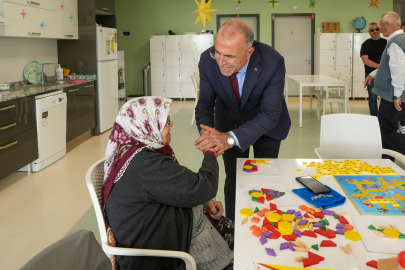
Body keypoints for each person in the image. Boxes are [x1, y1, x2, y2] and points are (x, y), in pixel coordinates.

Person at [102, 97, 233, 270]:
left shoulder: (133, 153)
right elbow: (204, 188)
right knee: (242, 249)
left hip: (157, 231)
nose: (171, 125)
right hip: (155, 257)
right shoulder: (145, 164)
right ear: (146, 124)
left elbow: (176, 189)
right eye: (165, 121)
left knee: (236, 234)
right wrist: (210, 152)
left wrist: (201, 204)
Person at [194, 19, 291, 222]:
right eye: (218, 53)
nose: (221, 62)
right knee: (234, 179)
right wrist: (207, 132)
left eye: (229, 56)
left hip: (267, 127)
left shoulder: (273, 61)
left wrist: (229, 139)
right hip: (228, 123)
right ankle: (234, 228)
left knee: (265, 178)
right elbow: (205, 103)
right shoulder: (206, 60)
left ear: (249, 52)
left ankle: (265, 225)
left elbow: (270, 115)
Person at [364, 12, 405, 157]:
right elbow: (388, 65)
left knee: (386, 129)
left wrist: (397, 95)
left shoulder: (395, 43)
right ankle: (387, 161)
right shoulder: (401, 39)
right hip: (397, 95)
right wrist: (373, 74)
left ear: (387, 24)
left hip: (393, 97)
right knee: (390, 130)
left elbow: (399, 71)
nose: (380, 29)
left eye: (381, 26)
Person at [360, 22, 387, 116]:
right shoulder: (365, 44)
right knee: (372, 98)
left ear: (380, 30)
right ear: (369, 32)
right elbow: (365, 60)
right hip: (370, 75)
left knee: (386, 97)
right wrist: (380, 67)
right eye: (372, 30)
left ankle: (384, 118)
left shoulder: (386, 43)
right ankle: (374, 119)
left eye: (377, 29)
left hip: (385, 75)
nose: (374, 31)